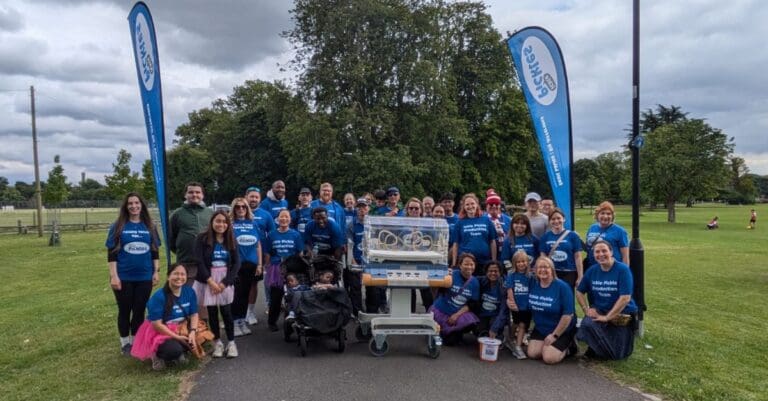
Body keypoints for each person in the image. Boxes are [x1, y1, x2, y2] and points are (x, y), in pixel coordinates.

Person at [106, 192, 160, 355]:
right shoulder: (118, 226)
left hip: (144, 277)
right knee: (124, 309)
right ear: (126, 206)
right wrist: (114, 276)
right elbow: (112, 253)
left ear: (142, 205)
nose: (134, 206)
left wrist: (155, 271)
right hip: (123, 277)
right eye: (130, 203)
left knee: (139, 309)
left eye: (137, 203)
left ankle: (136, 341)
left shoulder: (150, 226)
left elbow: (154, 251)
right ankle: (125, 343)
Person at [576, 240, 638, 360]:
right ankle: (597, 349)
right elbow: (579, 291)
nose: (601, 254)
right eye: (597, 252)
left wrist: (607, 317)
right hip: (601, 310)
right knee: (587, 324)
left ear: (611, 252)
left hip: (622, 313)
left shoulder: (623, 270)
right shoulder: (592, 270)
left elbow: (625, 298)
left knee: (619, 354)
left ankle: (600, 349)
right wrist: (586, 309)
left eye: (604, 250)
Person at [131, 263, 199, 370]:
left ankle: (180, 350)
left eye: (183, 274)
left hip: (181, 327)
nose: (179, 277)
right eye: (176, 274)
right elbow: (157, 325)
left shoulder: (189, 292)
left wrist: (193, 332)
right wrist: (178, 338)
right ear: (168, 276)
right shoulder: (158, 296)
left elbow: (194, 314)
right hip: (161, 330)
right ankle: (157, 355)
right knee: (174, 350)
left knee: (199, 339)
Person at [192, 211, 241, 358]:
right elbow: (198, 260)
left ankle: (231, 343)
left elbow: (237, 263)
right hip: (208, 280)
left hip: (224, 280)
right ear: (212, 222)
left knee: (226, 312)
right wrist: (210, 281)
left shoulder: (231, 239)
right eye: (218, 221)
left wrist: (225, 283)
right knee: (212, 313)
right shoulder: (202, 238)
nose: (221, 224)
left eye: (224, 222)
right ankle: (217, 343)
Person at [526, 256, 577, 364]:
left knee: (549, 358)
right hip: (541, 327)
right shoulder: (533, 284)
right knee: (533, 354)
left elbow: (568, 314)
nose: (542, 270)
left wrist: (555, 335)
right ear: (535, 270)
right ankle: (548, 346)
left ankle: (571, 346)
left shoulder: (563, 287)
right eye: (539, 267)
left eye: (546, 267)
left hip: (561, 329)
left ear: (552, 270)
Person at [264, 209, 304, 331]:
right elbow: (268, 254)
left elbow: (300, 253)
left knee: (294, 295)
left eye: (286, 217)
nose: (284, 219)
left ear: (290, 220)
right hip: (276, 268)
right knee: (276, 296)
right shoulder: (271, 235)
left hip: (292, 268)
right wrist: (267, 267)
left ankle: (293, 319)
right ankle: (272, 322)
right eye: (282, 217)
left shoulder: (296, 234)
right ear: (278, 219)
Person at [428, 253, 481, 345]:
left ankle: (455, 332)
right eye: (466, 264)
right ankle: (443, 332)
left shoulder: (475, 282)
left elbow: (472, 304)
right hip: (442, 311)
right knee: (449, 341)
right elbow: (435, 288)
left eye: (471, 264)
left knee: (471, 324)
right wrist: (441, 275)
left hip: (458, 313)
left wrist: (456, 315)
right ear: (460, 265)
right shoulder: (452, 275)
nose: (469, 267)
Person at [229, 198, 263, 337]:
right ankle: (234, 322)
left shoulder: (253, 224)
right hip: (237, 264)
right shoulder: (230, 225)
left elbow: (258, 245)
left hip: (252, 264)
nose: (241, 209)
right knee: (236, 294)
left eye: (244, 206)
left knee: (245, 293)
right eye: (237, 207)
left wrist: (260, 264)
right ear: (234, 209)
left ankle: (242, 320)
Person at [490, 250, 533, 359]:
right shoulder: (512, 274)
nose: (521, 264)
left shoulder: (530, 275)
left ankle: (518, 346)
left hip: (527, 306)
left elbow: (533, 290)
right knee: (515, 323)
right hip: (516, 305)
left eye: (523, 261)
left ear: (527, 262)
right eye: (518, 262)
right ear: (514, 263)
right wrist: (512, 301)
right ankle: (511, 338)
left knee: (523, 325)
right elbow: (509, 289)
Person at [169, 182, 213, 284]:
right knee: (186, 294)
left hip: (207, 263)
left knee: (205, 297)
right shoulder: (177, 214)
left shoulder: (210, 213)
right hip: (186, 263)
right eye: (191, 192)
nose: (194, 195)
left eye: (198, 192)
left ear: (202, 195)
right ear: (185, 195)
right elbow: (171, 239)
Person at [245, 186, 275, 325]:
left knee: (253, 283)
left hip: (258, 255)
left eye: (256, 197)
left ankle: (250, 312)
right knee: (237, 285)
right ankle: (239, 312)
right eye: (251, 196)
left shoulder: (266, 215)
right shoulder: (238, 212)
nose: (254, 199)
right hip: (240, 256)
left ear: (260, 199)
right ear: (246, 197)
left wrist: (268, 255)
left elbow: (272, 235)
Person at [452, 193, 497, 276]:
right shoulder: (460, 222)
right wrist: (454, 263)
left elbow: (492, 241)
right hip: (466, 263)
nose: (470, 206)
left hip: (484, 261)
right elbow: (456, 244)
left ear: (477, 205)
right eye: (467, 204)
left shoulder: (486, 220)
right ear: (464, 207)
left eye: (472, 203)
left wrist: (493, 260)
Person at [539, 208, 584, 289]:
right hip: (552, 272)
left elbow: (578, 257)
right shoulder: (545, 237)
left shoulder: (573, 236)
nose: (556, 221)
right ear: (549, 221)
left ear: (564, 219)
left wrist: (580, 276)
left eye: (558, 218)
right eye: (553, 219)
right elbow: (543, 258)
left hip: (569, 272)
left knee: (567, 298)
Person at [404, 197, 434, 312]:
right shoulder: (401, 224)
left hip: (423, 260)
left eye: (416, 208)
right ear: (407, 210)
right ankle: (410, 314)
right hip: (407, 260)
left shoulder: (427, 225)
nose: (414, 210)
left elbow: (431, 242)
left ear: (421, 210)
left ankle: (431, 313)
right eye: (411, 208)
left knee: (425, 289)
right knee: (409, 289)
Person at [584, 201, 630, 267]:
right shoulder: (592, 228)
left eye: (609, 214)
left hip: (612, 268)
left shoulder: (620, 231)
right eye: (602, 213)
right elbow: (588, 247)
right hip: (593, 268)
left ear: (612, 216)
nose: (605, 216)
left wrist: (624, 272)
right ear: (597, 215)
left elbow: (625, 256)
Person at [347, 197, 371, 315]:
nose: (362, 210)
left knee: (372, 287)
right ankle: (357, 312)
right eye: (359, 207)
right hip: (356, 260)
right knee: (355, 288)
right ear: (356, 210)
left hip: (371, 261)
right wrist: (352, 260)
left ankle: (372, 311)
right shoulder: (351, 225)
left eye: (364, 207)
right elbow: (349, 245)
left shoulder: (373, 223)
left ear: (368, 209)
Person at [474, 261, 505, 337]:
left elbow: (504, 310)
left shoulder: (504, 286)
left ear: (500, 272)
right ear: (486, 272)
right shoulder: (481, 280)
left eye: (496, 271)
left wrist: (495, 327)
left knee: (495, 330)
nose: (493, 273)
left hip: (496, 315)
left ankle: (499, 334)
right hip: (482, 314)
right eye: (490, 271)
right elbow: (468, 278)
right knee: (480, 332)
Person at [485, 190, 510, 260]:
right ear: (486, 206)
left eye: (496, 204)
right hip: (488, 256)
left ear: (500, 206)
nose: (494, 206)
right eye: (491, 204)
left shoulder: (508, 220)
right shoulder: (482, 219)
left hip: (505, 255)